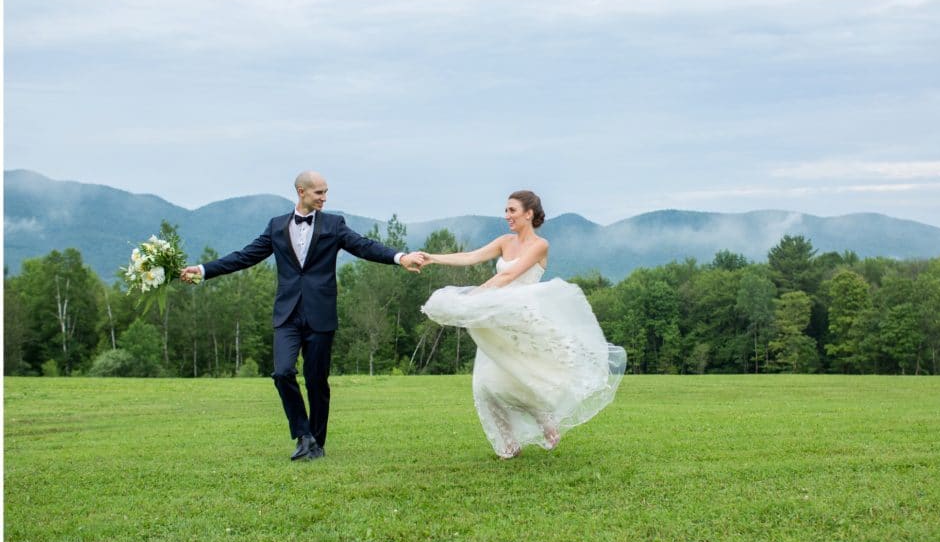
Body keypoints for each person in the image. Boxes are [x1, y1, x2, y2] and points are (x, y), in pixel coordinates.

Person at [181, 171, 426, 461]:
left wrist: (400, 257)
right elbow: (244, 256)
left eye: (325, 192)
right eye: (318, 192)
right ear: (301, 191)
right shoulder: (276, 227)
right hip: (287, 315)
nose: (324, 197)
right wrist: (204, 270)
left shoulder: (334, 225)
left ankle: (317, 444)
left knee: (316, 381)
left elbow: (364, 246)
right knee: (282, 372)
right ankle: (304, 434)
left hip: (320, 314)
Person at [420, 190, 625, 459]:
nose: (507, 216)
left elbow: (509, 275)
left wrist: (474, 296)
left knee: (527, 379)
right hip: (497, 320)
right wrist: (433, 257)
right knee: (485, 384)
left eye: (512, 211)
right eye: (505, 211)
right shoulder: (505, 241)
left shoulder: (540, 245)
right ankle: (509, 443)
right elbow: (471, 257)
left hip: (525, 320)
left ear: (529, 214)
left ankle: (545, 421)